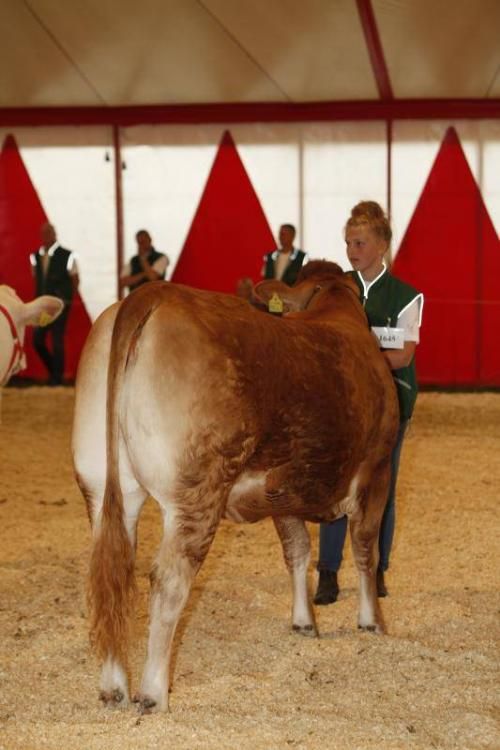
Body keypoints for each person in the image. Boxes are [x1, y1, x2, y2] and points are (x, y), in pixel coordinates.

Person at [314, 201, 424, 604]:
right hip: (339, 405)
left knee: (381, 488)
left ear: (382, 246)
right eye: (347, 242)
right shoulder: (334, 289)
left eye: (359, 242)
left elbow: (405, 355)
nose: (351, 250)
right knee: (334, 486)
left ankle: (377, 569)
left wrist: (356, 358)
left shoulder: (407, 297)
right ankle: (328, 572)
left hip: (390, 404)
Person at [30, 222, 79, 385]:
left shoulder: (67, 255)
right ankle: (54, 371)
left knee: (57, 339)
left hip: (60, 306)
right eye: (43, 234)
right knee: (38, 339)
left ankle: (57, 378)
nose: (46, 237)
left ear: (54, 234)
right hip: (43, 308)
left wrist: (68, 299)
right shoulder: (35, 256)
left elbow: (75, 278)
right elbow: (36, 279)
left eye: (48, 233)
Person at [120, 229, 169, 293]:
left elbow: (153, 277)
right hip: (135, 297)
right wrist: (144, 274)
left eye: (144, 241)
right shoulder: (133, 260)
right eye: (140, 242)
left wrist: (143, 259)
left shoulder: (161, 257)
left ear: (150, 239)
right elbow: (123, 282)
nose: (142, 244)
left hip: (155, 297)